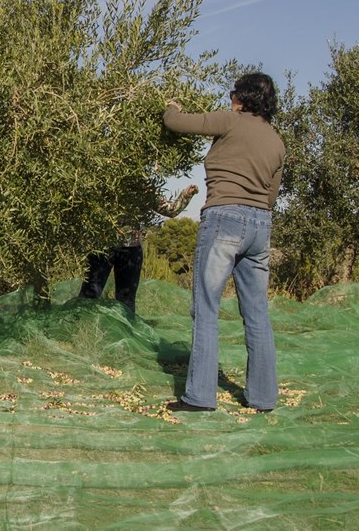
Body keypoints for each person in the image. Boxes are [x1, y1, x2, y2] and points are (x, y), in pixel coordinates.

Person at [163, 73, 286, 414]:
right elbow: (271, 195)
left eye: (233, 93)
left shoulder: (230, 122)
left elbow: (176, 123)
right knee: (257, 313)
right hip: (260, 226)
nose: (230, 98)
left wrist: (170, 106)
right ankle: (263, 398)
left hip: (223, 219)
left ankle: (200, 397)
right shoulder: (277, 142)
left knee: (206, 307)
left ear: (242, 98)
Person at [79, 185, 198, 314]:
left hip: (131, 250)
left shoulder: (142, 187)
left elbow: (171, 210)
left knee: (126, 303)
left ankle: (125, 332)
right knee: (89, 295)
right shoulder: (103, 182)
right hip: (102, 248)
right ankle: (78, 330)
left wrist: (186, 195)